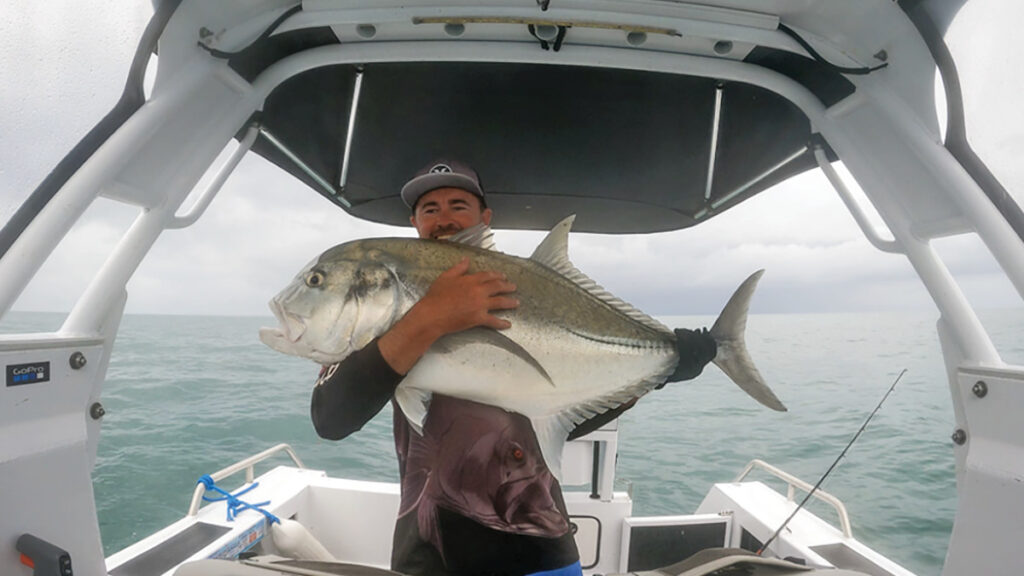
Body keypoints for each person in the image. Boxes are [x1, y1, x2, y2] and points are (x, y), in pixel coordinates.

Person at [310, 160, 715, 576]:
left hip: (540, 546)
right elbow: (331, 417)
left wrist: (655, 374)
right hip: (431, 552)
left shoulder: (522, 284)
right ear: (413, 221)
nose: (444, 218)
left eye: (458, 205)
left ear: (484, 218)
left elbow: (559, 416)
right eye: (429, 209)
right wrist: (431, 316)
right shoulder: (374, 315)